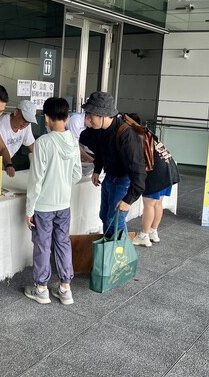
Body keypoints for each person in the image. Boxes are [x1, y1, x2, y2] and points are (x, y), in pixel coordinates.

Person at [24, 97, 82, 305]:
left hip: (43, 206)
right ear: (67, 117)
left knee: (42, 245)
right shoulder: (73, 142)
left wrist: (29, 209)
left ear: (46, 117)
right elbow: (76, 174)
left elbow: (36, 180)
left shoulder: (43, 143)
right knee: (63, 243)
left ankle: (41, 288)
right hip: (63, 204)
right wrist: (62, 182)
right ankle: (65, 288)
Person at [81, 92, 146, 238]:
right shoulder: (99, 130)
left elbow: (139, 173)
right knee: (104, 217)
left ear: (102, 115)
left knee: (115, 221)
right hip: (110, 178)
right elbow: (101, 152)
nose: (88, 119)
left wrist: (128, 200)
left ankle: (117, 257)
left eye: (90, 115)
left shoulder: (126, 136)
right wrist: (97, 170)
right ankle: (108, 251)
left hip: (123, 181)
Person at [125, 113, 178, 247]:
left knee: (149, 205)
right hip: (168, 169)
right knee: (157, 204)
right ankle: (153, 232)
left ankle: (143, 235)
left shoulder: (137, 136)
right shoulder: (148, 133)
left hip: (157, 173)